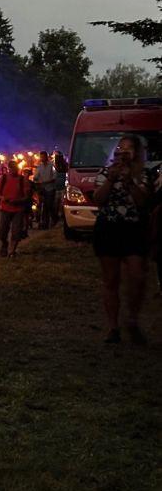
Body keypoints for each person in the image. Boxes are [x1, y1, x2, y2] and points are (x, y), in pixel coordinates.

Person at [92, 135, 153, 344]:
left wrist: (128, 181)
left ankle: (132, 319)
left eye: (129, 148)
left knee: (137, 276)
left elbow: (142, 201)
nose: (124, 152)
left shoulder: (143, 174)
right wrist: (111, 178)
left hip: (133, 230)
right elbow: (98, 199)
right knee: (111, 279)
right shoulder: (105, 172)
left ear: (136, 153)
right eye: (121, 148)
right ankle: (113, 327)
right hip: (108, 228)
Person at [0, 162, 30, 258]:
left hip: (18, 209)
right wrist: (2, 198)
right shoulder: (3, 179)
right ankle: (4, 243)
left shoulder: (23, 180)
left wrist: (18, 201)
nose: (14, 170)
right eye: (12, 168)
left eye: (15, 168)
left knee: (16, 231)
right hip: (5, 208)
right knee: (2, 231)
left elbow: (26, 196)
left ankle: (12, 251)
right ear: (9, 168)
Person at [32, 151, 57, 230]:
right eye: (41, 157)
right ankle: (45, 223)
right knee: (44, 206)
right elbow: (36, 176)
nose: (42, 158)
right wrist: (36, 179)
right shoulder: (39, 166)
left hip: (50, 188)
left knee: (49, 205)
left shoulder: (52, 166)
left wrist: (47, 181)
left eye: (43, 156)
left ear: (46, 157)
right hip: (43, 189)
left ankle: (54, 219)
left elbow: (54, 177)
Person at [52, 151, 68, 225]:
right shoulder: (53, 166)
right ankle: (55, 218)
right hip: (55, 188)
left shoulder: (65, 165)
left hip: (63, 188)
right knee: (55, 204)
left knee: (62, 204)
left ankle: (62, 217)